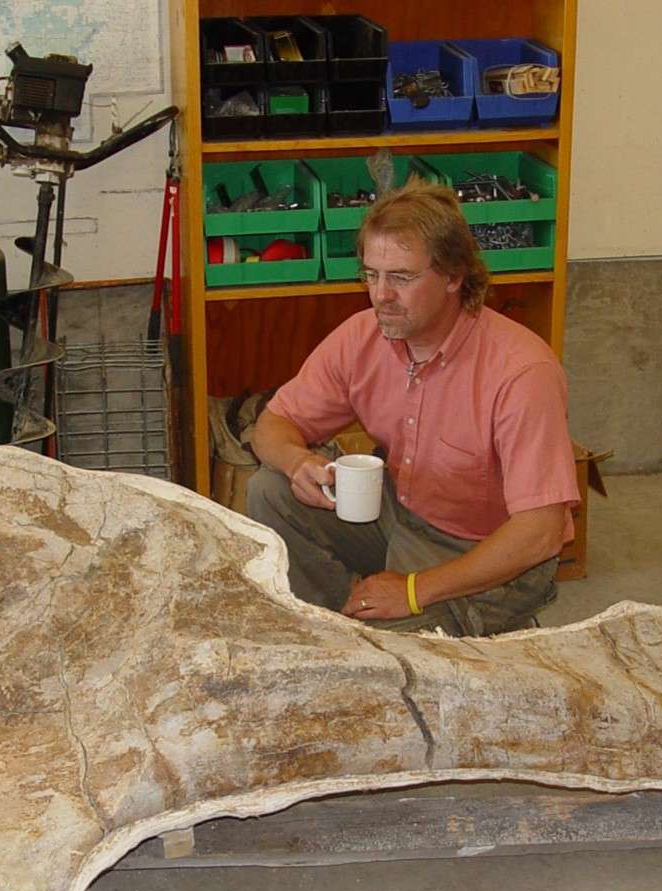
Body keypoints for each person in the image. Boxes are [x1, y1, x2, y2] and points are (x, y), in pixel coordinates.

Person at [245, 178, 580, 637]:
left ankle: (401, 622)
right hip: (403, 512)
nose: (380, 295)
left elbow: (540, 530)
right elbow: (272, 425)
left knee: (399, 664)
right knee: (270, 488)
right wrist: (297, 460)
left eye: (401, 277)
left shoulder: (521, 372)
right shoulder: (363, 336)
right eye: (371, 274)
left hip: (490, 550)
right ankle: (344, 620)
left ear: (453, 276)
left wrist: (412, 591)